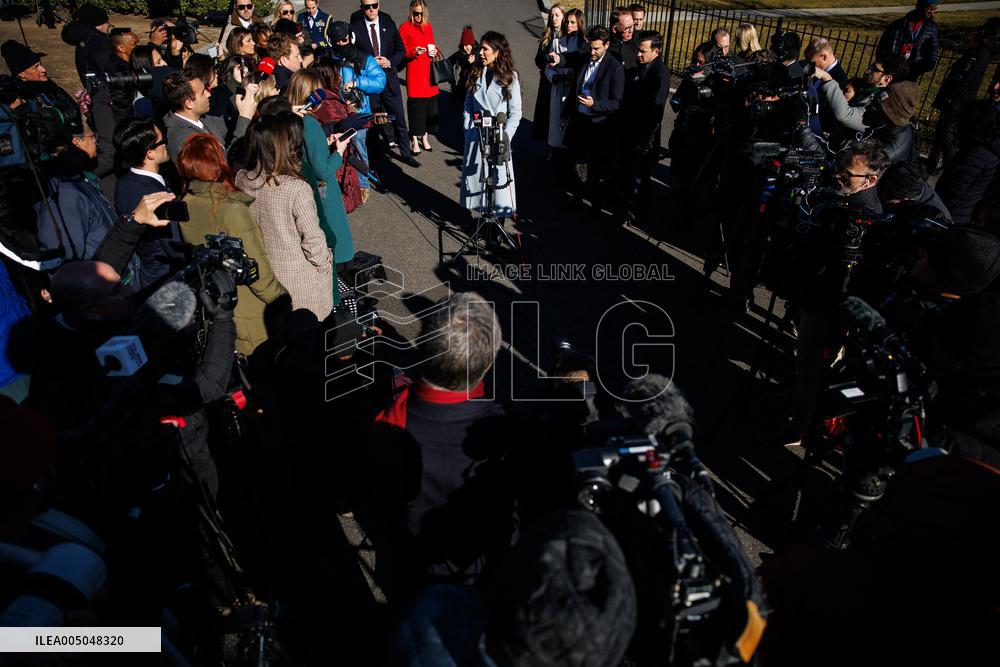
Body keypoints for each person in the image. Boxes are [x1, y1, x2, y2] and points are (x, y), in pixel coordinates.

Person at [371, 293, 512, 586]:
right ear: (488, 364)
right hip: (479, 574)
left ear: (422, 347)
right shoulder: (508, 435)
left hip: (407, 569)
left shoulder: (387, 424)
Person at [177, 133, 287, 356]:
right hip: (252, 313)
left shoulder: (185, 205)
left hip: (219, 307)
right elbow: (257, 270)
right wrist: (282, 301)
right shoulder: (232, 211)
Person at [236, 112, 335, 321]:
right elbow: (313, 239)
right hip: (302, 282)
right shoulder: (296, 188)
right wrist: (325, 263)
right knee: (312, 334)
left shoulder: (242, 179)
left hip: (266, 276)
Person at [286, 68, 357, 269]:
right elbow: (323, 170)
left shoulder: (289, 119)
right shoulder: (310, 123)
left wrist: (325, 143)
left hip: (301, 186)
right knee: (337, 246)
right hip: (324, 191)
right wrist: (339, 151)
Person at [112, 118, 185, 289]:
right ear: (150, 154)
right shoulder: (155, 196)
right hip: (167, 279)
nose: (166, 144)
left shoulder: (123, 183)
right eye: (162, 141)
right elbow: (173, 246)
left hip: (146, 274)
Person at [560, 26, 624, 212]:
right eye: (591, 47)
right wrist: (567, 114)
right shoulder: (585, 59)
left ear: (607, 45)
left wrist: (594, 104)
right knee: (578, 162)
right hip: (580, 120)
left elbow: (617, 102)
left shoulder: (615, 68)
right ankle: (577, 197)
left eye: (597, 48)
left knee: (598, 167)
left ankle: (596, 205)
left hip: (599, 125)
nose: (592, 52)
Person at [350, 0, 421, 168]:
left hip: (389, 79)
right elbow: (353, 52)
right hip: (370, 82)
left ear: (379, 4)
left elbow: (400, 50)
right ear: (362, 8)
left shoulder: (388, 23)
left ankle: (405, 153)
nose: (371, 9)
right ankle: (376, 157)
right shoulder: (355, 27)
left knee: (398, 117)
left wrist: (390, 61)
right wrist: (368, 61)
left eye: (374, 5)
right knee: (373, 120)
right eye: (367, 7)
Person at [460, 31, 522, 220]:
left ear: (497, 52)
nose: (480, 53)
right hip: (477, 135)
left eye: (485, 49)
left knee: (498, 184)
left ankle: (498, 224)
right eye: (480, 48)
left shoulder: (510, 77)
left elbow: (515, 112)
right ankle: (484, 223)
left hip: (498, 137)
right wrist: (469, 127)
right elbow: (468, 104)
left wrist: (505, 136)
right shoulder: (476, 72)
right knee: (479, 183)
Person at [927, 19, 1000, 173]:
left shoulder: (981, 53)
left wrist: (952, 98)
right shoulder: (978, 51)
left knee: (946, 134)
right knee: (941, 131)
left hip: (957, 100)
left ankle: (950, 165)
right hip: (954, 98)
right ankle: (932, 162)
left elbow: (966, 79)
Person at [328, 21, 387, 200]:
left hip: (358, 112)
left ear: (351, 38)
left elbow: (380, 81)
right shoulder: (327, 59)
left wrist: (357, 83)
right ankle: (337, 184)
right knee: (334, 148)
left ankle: (362, 184)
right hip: (334, 112)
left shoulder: (363, 58)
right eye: (336, 41)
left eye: (344, 40)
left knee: (359, 148)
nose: (340, 44)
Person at [162, 69, 258, 164]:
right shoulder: (183, 141)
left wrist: (244, 96)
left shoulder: (201, 119)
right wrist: (245, 118)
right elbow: (222, 165)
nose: (208, 94)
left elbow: (229, 123)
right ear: (189, 103)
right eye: (203, 92)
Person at [625, 30, 669, 222]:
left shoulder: (660, 74)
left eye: (643, 51)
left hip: (645, 138)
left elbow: (655, 113)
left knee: (640, 176)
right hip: (634, 131)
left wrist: (646, 142)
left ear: (656, 51)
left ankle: (638, 211)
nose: (638, 54)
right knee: (635, 173)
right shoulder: (643, 66)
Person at [936, 100, 1000, 225]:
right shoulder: (986, 150)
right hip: (960, 214)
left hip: (949, 215)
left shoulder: (975, 155)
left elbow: (953, 192)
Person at [399, 0, 440, 156]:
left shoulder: (427, 26)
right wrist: (413, 52)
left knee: (429, 109)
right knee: (416, 109)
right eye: (416, 13)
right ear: (411, 12)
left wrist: (435, 51)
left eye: (422, 13)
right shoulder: (405, 28)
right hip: (415, 75)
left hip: (429, 75)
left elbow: (433, 45)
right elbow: (401, 51)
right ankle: (415, 140)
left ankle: (425, 137)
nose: (419, 16)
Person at [544, 9, 585, 153]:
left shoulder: (583, 45)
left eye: (573, 22)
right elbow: (548, 67)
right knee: (556, 123)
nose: (568, 25)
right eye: (567, 22)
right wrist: (553, 77)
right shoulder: (557, 42)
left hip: (574, 89)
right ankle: (555, 151)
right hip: (559, 87)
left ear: (580, 23)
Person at [877, 0, 941, 81]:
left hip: (914, 68)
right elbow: (883, 45)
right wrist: (884, 61)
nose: (931, 12)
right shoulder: (898, 24)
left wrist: (927, 66)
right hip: (894, 67)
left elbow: (934, 48)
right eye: (929, 8)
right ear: (920, 6)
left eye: (934, 9)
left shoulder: (932, 27)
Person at [530, 3, 564, 144]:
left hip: (561, 80)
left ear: (563, 16)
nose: (553, 18)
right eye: (551, 16)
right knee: (546, 114)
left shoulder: (567, 37)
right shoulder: (547, 35)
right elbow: (538, 59)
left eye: (557, 15)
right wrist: (546, 64)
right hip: (546, 80)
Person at [448, 26, 478, 103]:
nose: (465, 48)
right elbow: (448, 62)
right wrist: (452, 81)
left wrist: (473, 63)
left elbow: (481, 71)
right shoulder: (461, 53)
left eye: (467, 45)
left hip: (475, 87)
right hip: (462, 86)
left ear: (472, 44)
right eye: (463, 45)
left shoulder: (479, 53)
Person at [608, 5, 638, 78]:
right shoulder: (606, 46)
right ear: (615, 29)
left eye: (632, 26)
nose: (631, 31)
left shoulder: (639, 40)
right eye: (627, 28)